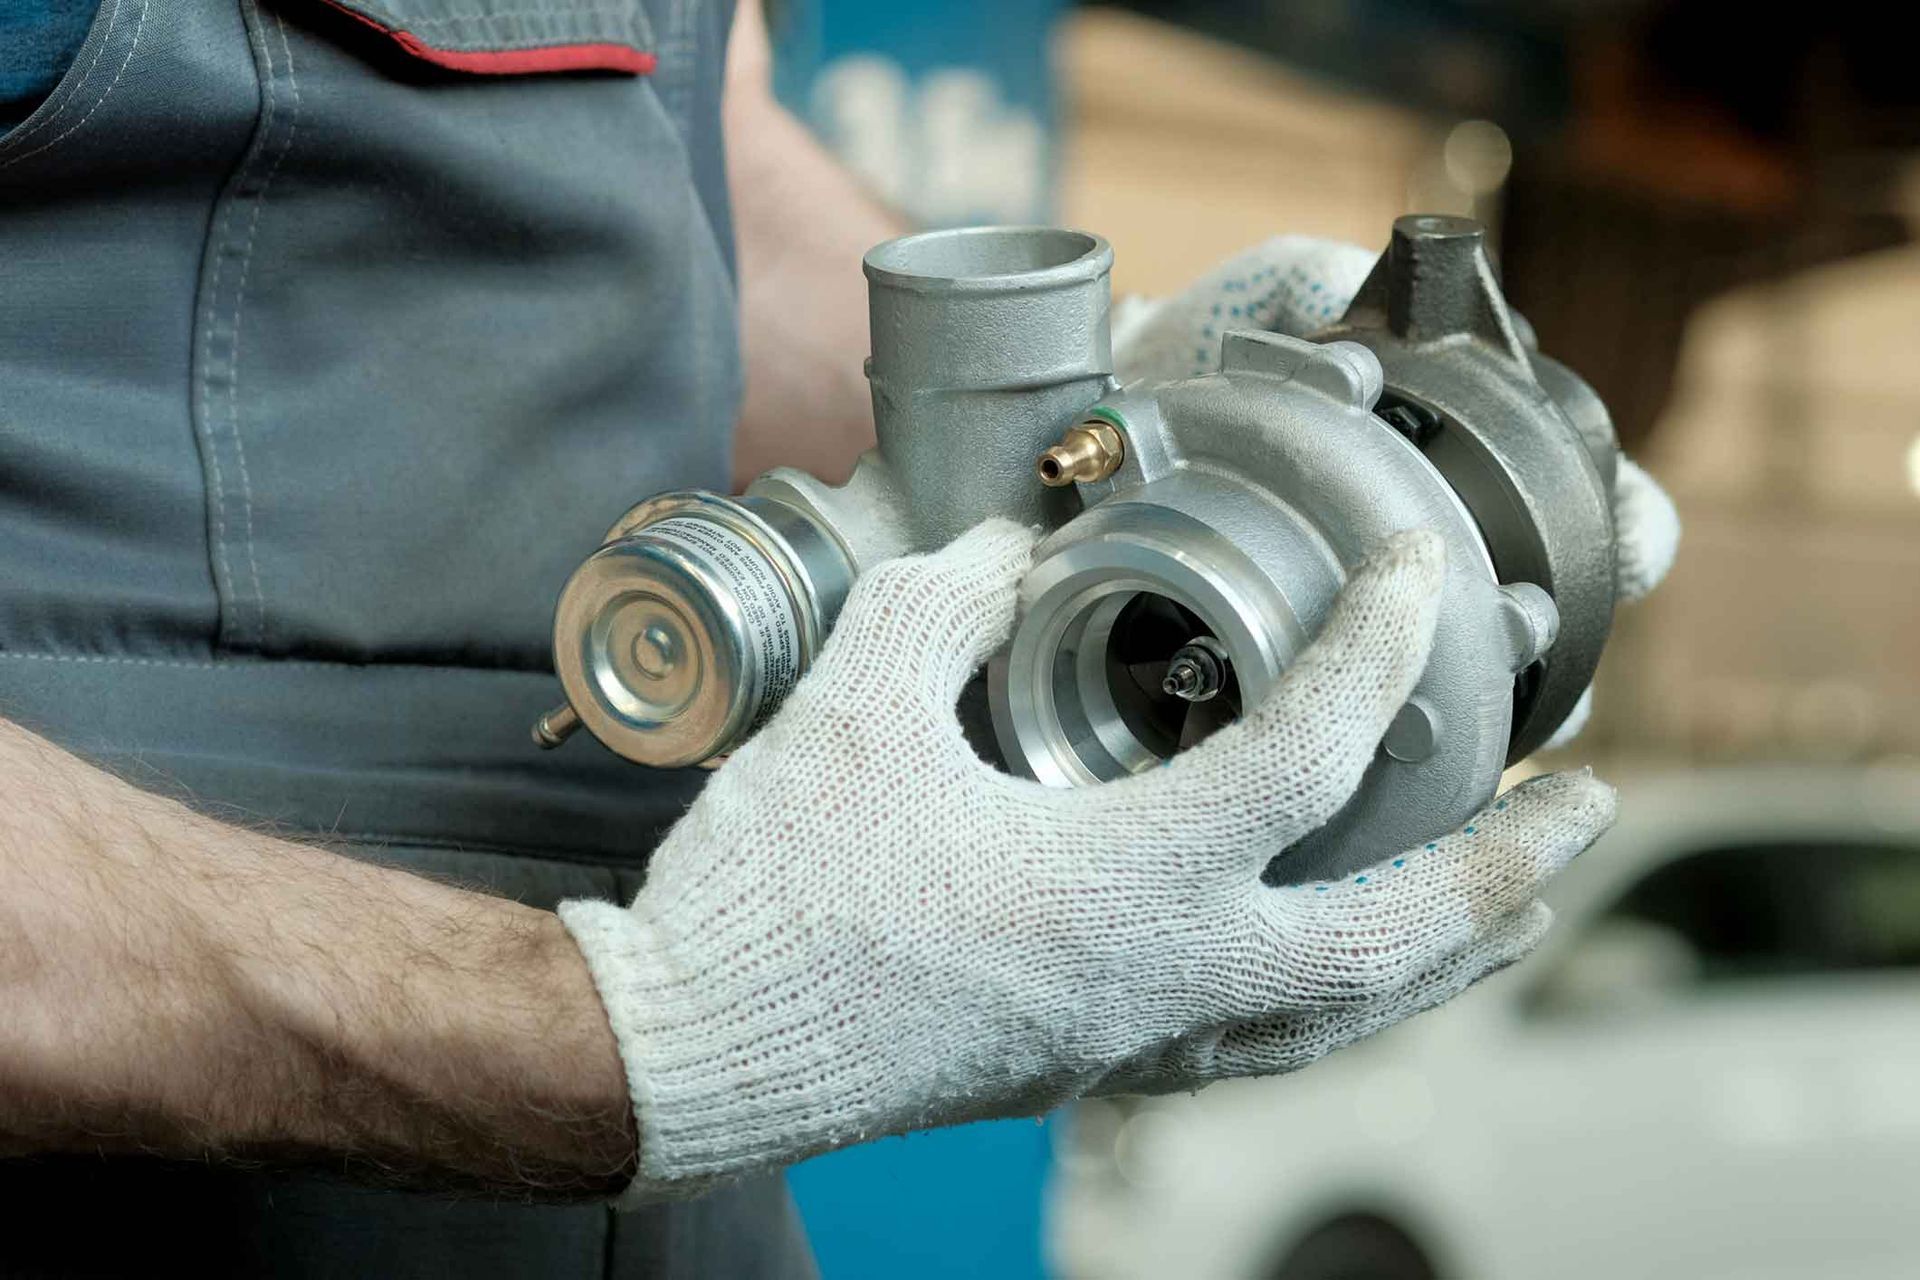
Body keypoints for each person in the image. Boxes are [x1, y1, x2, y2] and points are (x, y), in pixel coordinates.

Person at [0, 0, 1677, 1275]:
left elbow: (683, 163)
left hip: (644, 1175)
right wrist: (627, 1033)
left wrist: (1117, 398)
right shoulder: (628, 1038)